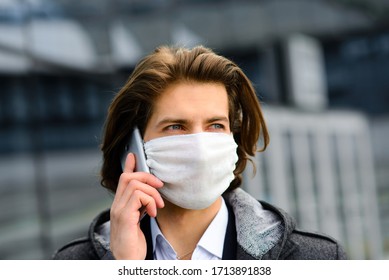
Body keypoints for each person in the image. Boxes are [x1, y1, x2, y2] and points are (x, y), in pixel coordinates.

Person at [53, 45, 346, 260]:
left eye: (215, 125)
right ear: (134, 147)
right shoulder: (72, 264)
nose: (200, 146)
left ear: (234, 138)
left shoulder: (317, 259)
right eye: (176, 126)